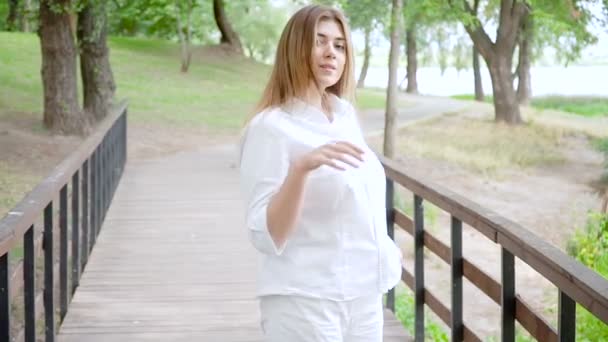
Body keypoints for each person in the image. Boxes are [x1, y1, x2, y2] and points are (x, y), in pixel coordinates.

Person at [238, 4, 403, 342]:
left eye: (340, 45)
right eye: (320, 42)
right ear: (295, 49)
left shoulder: (343, 117)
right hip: (305, 299)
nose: (332, 53)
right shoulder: (270, 127)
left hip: (363, 296)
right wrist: (300, 170)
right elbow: (265, 235)